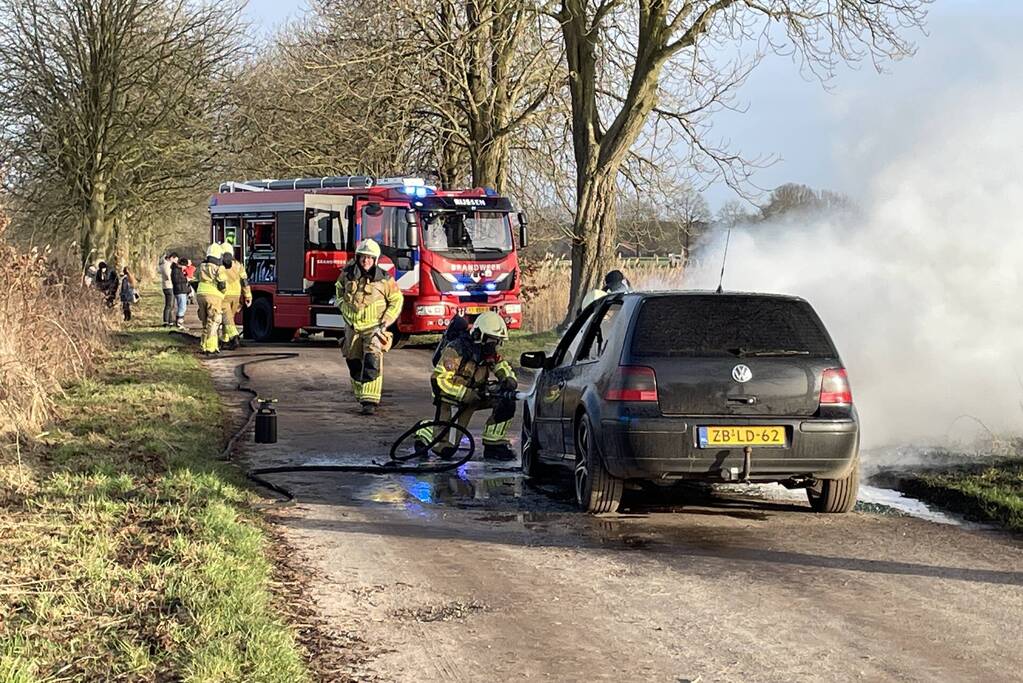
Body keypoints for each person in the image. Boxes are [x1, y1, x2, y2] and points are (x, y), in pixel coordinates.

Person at [416, 312, 518, 461]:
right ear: (478, 335)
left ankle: (494, 444)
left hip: (476, 396)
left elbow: (502, 366)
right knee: (445, 450)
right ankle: (425, 430)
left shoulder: (488, 352)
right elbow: (439, 381)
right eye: (491, 340)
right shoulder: (456, 350)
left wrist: (508, 379)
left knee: (506, 400)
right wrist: (465, 394)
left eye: (497, 341)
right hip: (453, 400)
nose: (493, 345)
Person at [335, 239, 403, 415]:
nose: (366, 261)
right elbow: (339, 290)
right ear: (358, 258)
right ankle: (360, 394)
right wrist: (342, 305)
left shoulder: (385, 279)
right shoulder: (347, 274)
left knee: (372, 360)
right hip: (352, 327)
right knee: (352, 359)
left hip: (374, 327)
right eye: (363, 257)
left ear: (376, 259)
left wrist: (387, 320)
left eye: (370, 258)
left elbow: (396, 300)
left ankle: (370, 401)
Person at [195, 243, 228, 355]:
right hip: (214, 295)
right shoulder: (219, 267)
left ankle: (204, 345)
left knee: (205, 322)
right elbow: (222, 284)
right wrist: (223, 293)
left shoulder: (201, 266)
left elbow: (195, 279)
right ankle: (210, 347)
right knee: (214, 321)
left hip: (200, 294)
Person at [218, 241, 252, 349]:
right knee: (229, 318)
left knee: (227, 318)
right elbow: (244, 281)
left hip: (224, 295)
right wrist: (248, 295)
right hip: (236, 295)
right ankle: (225, 340)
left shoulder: (219, 266)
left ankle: (233, 337)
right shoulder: (238, 265)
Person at [159, 253, 178, 326]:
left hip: (166, 286)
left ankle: (170, 321)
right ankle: (166, 321)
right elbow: (168, 275)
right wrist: (173, 279)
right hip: (169, 286)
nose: (175, 262)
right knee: (169, 305)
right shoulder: (167, 265)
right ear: (172, 258)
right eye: (175, 260)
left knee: (171, 305)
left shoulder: (164, 264)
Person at [171, 257, 190, 329]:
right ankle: (179, 323)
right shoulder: (176, 270)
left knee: (181, 307)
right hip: (180, 290)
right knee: (182, 307)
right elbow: (176, 280)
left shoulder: (177, 270)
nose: (186, 268)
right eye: (185, 266)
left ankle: (179, 323)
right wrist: (186, 279)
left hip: (180, 290)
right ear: (182, 264)